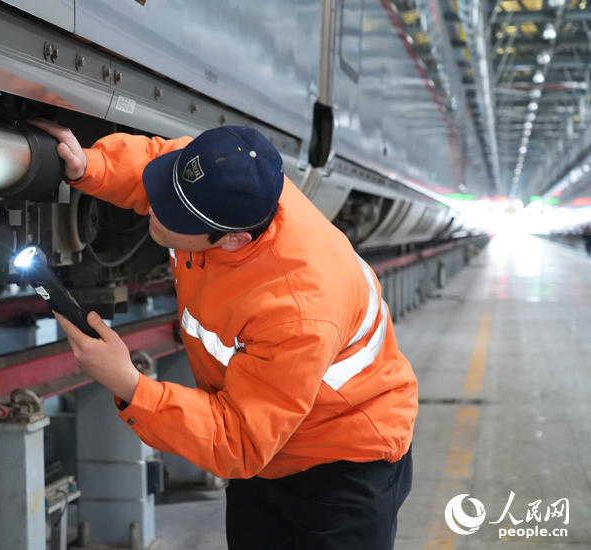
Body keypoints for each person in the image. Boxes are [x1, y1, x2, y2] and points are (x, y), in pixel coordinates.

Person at [31, 119, 417, 550]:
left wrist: (129, 385)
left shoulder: (297, 309)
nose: (155, 209)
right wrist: (91, 165)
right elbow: (158, 164)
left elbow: (239, 440)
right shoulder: (234, 182)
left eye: (174, 214)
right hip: (265, 447)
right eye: (166, 192)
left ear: (232, 241)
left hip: (342, 464)